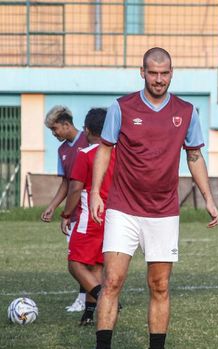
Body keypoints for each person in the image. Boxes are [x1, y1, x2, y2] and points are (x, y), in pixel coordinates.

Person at [90, 47, 218, 349]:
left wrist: (208, 198)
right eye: (153, 73)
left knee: (159, 285)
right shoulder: (122, 107)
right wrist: (96, 192)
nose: (159, 79)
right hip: (122, 208)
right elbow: (105, 149)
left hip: (163, 212)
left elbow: (195, 156)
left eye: (164, 73)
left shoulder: (186, 112)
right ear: (142, 72)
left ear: (171, 73)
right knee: (112, 281)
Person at [59, 107, 115, 326]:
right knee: (96, 267)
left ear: (87, 130)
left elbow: (75, 189)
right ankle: (89, 314)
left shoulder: (86, 154)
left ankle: (104, 296)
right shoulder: (117, 153)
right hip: (112, 218)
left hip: (89, 217)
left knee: (75, 264)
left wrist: (65, 214)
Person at [42, 105, 90, 313]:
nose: (53, 134)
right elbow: (66, 183)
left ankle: (86, 300)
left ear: (66, 124)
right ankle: (94, 296)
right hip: (74, 213)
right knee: (78, 259)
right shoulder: (62, 151)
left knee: (82, 260)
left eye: (54, 129)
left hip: (91, 210)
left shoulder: (88, 141)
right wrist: (53, 207)